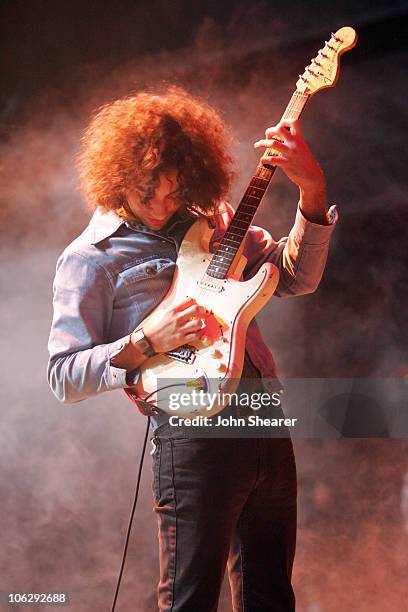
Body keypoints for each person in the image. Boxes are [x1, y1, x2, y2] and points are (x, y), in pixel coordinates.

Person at [48, 86, 338, 611]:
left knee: (272, 596)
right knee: (189, 602)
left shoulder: (216, 222)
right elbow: (64, 375)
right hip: (190, 430)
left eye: (175, 191)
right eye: (146, 193)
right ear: (116, 180)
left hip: (261, 416)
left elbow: (293, 277)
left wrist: (311, 187)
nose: (162, 206)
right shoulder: (90, 259)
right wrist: (143, 341)